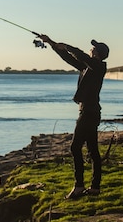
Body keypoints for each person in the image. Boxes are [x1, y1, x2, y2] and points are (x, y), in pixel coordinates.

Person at [39, 34, 109, 199]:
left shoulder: (98, 67)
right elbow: (69, 59)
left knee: (75, 147)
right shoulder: (87, 67)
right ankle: (94, 188)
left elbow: (81, 55)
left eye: (93, 48)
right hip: (89, 112)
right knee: (92, 151)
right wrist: (52, 43)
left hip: (88, 113)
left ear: (97, 53)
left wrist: (68, 46)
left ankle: (79, 186)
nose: (90, 49)